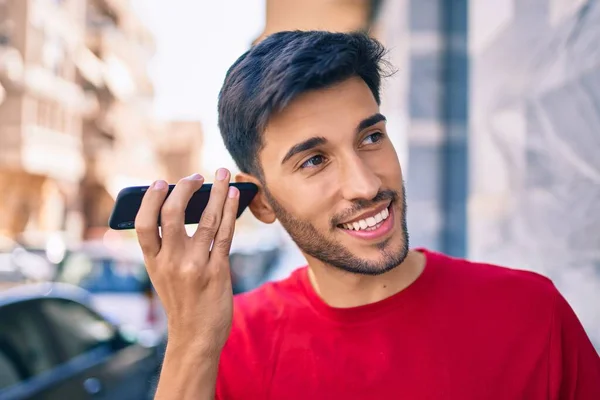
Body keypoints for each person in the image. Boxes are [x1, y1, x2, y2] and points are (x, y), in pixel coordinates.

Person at [135, 31, 600, 400]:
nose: (367, 185)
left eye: (371, 138)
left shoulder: (530, 313)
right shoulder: (227, 345)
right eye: (314, 160)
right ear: (260, 202)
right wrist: (193, 341)